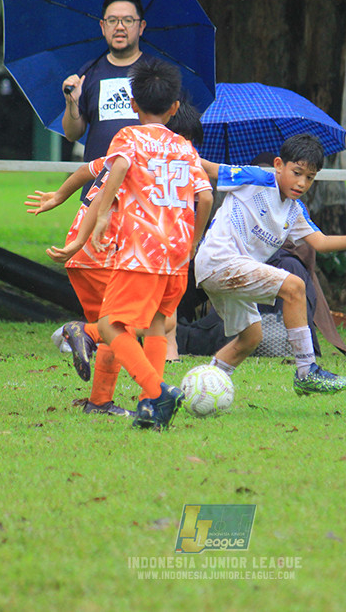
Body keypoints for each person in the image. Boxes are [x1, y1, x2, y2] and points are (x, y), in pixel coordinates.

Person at [26, 99, 211, 418]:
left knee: (127, 327)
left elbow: (87, 170)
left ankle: (102, 401)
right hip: (104, 252)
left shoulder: (129, 153)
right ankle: (91, 339)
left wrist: (60, 197)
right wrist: (82, 238)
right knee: (138, 323)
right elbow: (102, 199)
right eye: (186, 141)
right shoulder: (147, 160)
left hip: (92, 254)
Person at [194, 133, 346, 394]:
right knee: (294, 286)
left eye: (310, 177)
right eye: (297, 173)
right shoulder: (257, 178)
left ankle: (202, 388)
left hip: (230, 272)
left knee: (251, 338)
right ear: (278, 165)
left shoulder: (295, 210)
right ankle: (307, 370)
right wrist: (176, 149)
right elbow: (211, 169)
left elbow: (320, 242)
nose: (302, 183)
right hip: (218, 260)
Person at [62, 0, 160, 164]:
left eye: (128, 20)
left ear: (141, 26)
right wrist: (72, 103)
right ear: (103, 26)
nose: (119, 27)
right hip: (99, 176)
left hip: (145, 176)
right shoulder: (89, 72)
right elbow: (72, 134)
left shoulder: (157, 73)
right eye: (112, 20)